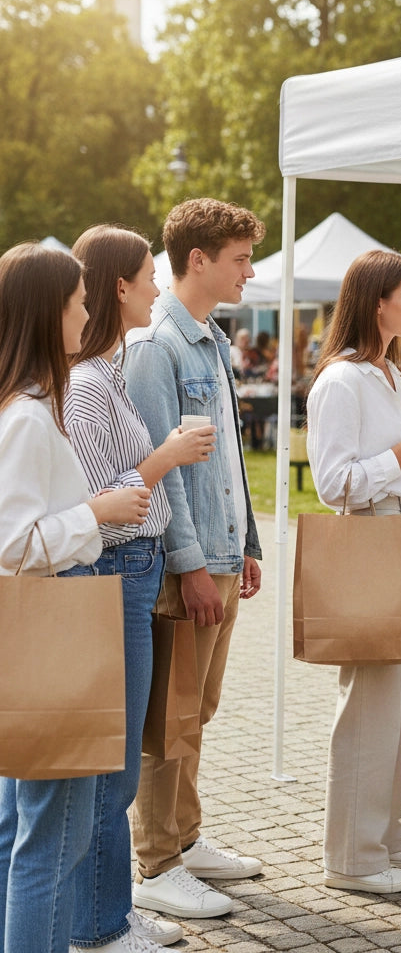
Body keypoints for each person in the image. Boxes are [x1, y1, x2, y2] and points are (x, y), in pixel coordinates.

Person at [63, 225, 218, 952]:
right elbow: (100, 502)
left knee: (121, 764)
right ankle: (101, 925)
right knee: (112, 769)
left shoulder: (109, 368)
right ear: (118, 286)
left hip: (135, 571)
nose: (156, 287)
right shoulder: (89, 385)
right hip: (118, 571)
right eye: (146, 276)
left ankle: (112, 909)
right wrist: (166, 458)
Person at [0, 243, 152, 953]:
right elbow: (13, 543)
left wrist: (91, 508)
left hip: (44, 623)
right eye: (78, 302)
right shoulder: (29, 415)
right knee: (51, 842)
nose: (88, 312)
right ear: (47, 312)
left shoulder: (29, 404)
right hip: (56, 618)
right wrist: (98, 514)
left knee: (26, 831)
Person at [120, 198, 265, 920]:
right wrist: (192, 566)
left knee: (195, 713)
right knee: (166, 720)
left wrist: (245, 547)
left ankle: (185, 836)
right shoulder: (157, 345)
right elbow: (161, 467)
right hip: (188, 565)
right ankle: (158, 863)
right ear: (197, 259)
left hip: (219, 554)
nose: (249, 270)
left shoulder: (210, 338)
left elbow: (227, 460)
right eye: (239, 258)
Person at [305, 249, 401, 895]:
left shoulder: (389, 373)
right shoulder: (341, 382)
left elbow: (382, 465)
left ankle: (386, 832)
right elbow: (332, 482)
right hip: (369, 541)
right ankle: (352, 855)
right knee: (370, 704)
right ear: (377, 302)